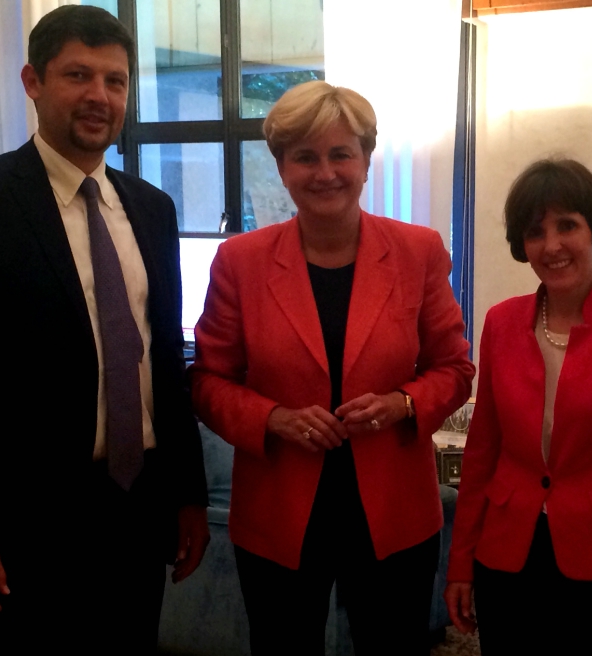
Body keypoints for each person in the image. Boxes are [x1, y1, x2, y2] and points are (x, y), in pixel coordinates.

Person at [0, 6, 208, 654]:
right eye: (78, 74)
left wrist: (188, 496)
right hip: (28, 519)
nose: (100, 95)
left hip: (139, 505)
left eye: (115, 80)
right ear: (33, 81)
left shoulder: (152, 209)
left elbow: (163, 367)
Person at [189, 80, 475, 655]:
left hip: (393, 510)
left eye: (341, 154)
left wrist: (403, 404)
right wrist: (273, 418)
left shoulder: (418, 251)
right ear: (282, 167)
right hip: (279, 511)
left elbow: (454, 368)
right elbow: (208, 381)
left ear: (366, 161)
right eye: (305, 157)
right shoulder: (240, 261)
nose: (325, 173)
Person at [444, 159, 592, 656]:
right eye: (535, 232)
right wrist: (461, 563)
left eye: (567, 225)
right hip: (507, 554)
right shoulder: (501, 322)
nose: (551, 245)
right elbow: (482, 454)